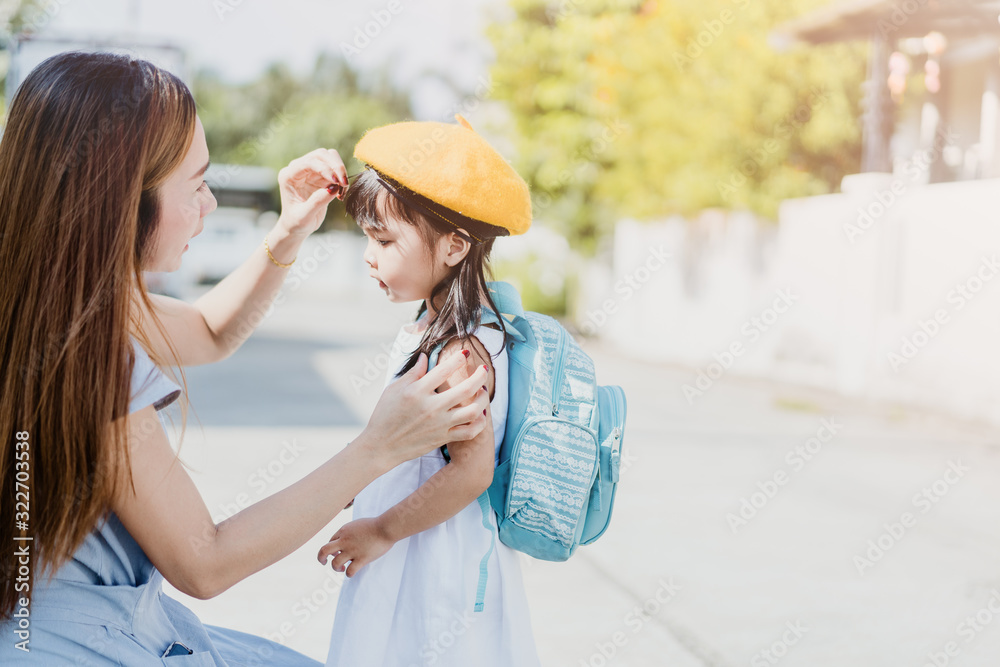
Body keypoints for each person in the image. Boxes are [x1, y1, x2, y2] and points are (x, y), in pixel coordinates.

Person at [0, 52, 490, 664]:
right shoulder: (86, 351)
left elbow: (209, 330)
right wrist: (379, 447)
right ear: (122, 199)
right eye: (197, 184)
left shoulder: (45, 297)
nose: (208, 205)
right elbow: (205, 561)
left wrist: (289, 232)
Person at [318, 118, 540, 667]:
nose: (370, 255)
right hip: (415, 545)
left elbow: (470, 471)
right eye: (368, 238)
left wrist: (382, 529)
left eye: (384, 240)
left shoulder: (460, 349)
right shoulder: (434, 326)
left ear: (454, 246)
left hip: (431, 559)